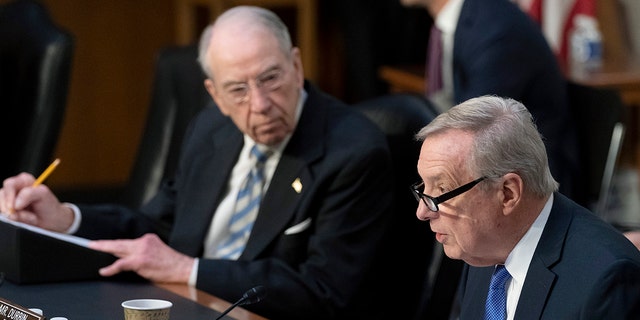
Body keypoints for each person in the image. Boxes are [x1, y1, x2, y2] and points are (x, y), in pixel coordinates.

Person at [0, 6, 395, 320]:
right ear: (216, 95)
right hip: (176, 305)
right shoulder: (211, 129)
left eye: (270, 78)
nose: (259, 104)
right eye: (238, 90)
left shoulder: (353, 151)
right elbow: (157, 227)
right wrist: (65, 219)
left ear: (296, 65)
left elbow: (323, 291)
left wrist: (186, 269)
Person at [411, 95, 640, 319]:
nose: (422, 211)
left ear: (508, 193)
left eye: (442, 189)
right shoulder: (480, 249)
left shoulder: (605, 282)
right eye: (424, 186)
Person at [400, 0, 579, 200]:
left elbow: (476, 128)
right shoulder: (466, 17)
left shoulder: (496, 28)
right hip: (482, 157)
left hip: (527, 178)